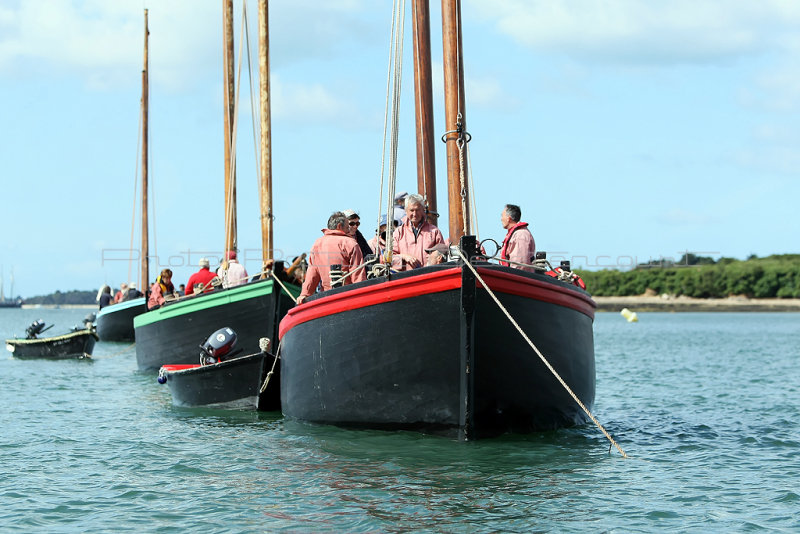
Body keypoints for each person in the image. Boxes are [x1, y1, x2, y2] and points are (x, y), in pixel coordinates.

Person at [297, 211, 366, 304]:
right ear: (339, 226)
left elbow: (312, 273)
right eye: (347, 227)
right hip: (347, 297)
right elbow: (358, 275)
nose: (349, 230)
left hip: (326, 298)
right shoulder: (350, 243)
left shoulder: (317, 244)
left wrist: (305, 294)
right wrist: (361, 297)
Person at [392, 193, 445, 269]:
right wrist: (404, 257)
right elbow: (389, 258)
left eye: (417, 210)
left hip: (429, 277)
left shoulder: (434, 232)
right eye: (412, 210)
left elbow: (442, 256)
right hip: (405, 278)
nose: (415, 214)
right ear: (406, 211)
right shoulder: (398, 233)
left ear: (423, 210)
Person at [499, 204, 536, 272]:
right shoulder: (516, 234)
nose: (501, 219)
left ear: (508, 218)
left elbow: (520, 263)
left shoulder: (520, 235)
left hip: (518, 278)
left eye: (502, 216)